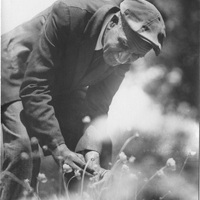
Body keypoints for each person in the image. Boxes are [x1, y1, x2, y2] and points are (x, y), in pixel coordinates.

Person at [1, 0, 166, 199]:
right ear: (113, 22)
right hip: (18, 68)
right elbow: (35, 86)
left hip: (62, 81)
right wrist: (59, 147)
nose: (123, 58)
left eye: (135, 56)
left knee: (99, 149)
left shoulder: (127, 52)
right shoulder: (69, 13)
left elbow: (98, 105)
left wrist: (91, 151)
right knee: (24, 149)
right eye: (122, 44)